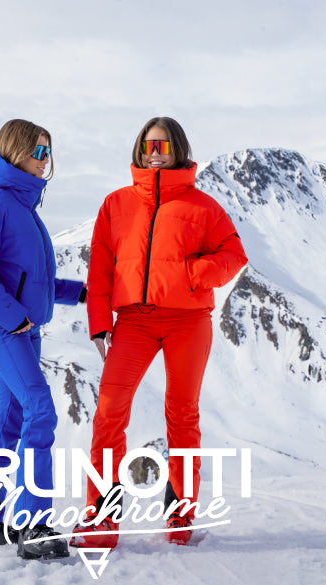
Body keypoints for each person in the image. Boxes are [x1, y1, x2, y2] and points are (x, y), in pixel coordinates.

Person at [71, 117, 248, 548]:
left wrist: (191, 274)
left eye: (163, 145)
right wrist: (100, 324)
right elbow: (100, 270)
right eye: (148, 145)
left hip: (189, 321)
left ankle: (180, 515)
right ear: (139, 148)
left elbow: (234, 255)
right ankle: (102, 519)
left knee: (182, 415)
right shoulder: (115, 205)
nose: (154, 153)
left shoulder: (203, 207)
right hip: (134, 321)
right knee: (109, 413)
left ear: (177, 149)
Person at [0, 119, 86, 560]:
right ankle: (33, 525)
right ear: (15, 150)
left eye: (49, 152)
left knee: (10, 421)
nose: (46, 160)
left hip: (24, 329)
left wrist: (83, 293)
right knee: (40, 410)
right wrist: (12, 317)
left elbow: (31, 282)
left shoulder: (24, 207)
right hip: (3, 326)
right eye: (38, 151)